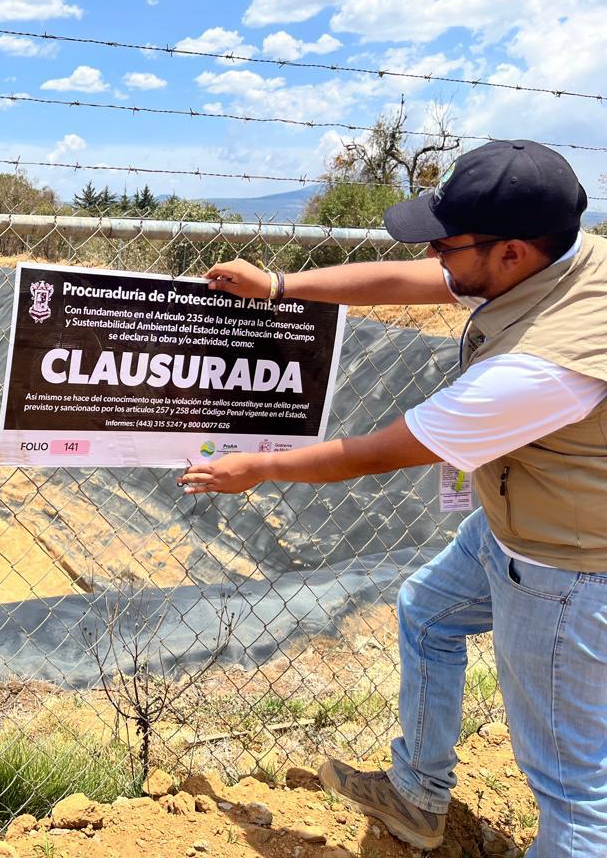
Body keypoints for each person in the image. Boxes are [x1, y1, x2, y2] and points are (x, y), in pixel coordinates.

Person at [179, 140, 604, 856]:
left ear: (511, 254)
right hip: (516, 521)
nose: (435, 254)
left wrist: (257, 466)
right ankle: (417, 800)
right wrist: (281, 286)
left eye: (448, 243)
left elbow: (378, 452)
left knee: (574, 793)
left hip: (566, 568)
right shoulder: (568, 258)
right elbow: (411, 281)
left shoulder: (540, 369)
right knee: (428, 611)